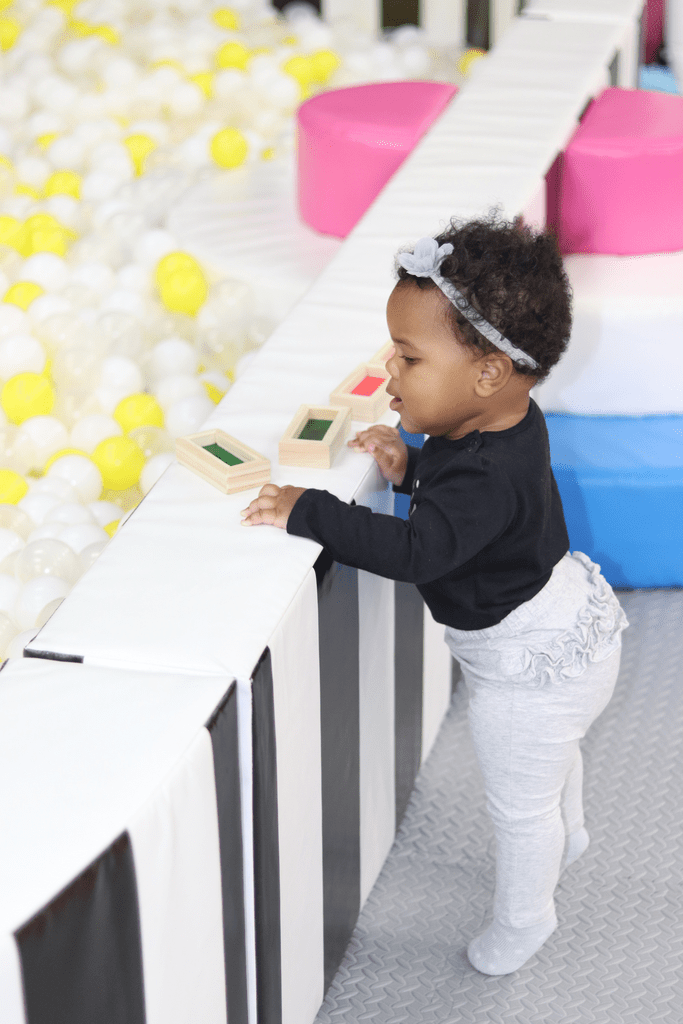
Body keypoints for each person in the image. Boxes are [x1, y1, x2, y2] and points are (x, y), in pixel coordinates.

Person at [240, 211, 629, 976]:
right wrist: (408, 468)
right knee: (553, 760)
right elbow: (477, 513)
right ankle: (571, 830)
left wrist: (308, 511)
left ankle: (526, 917)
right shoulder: (505, 425)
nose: (387, 370)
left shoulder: (480, 466)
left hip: (528, 668)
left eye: (408, 359)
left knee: (518, 806)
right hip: (566, 629)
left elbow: (423, 550)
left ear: (486, 373)